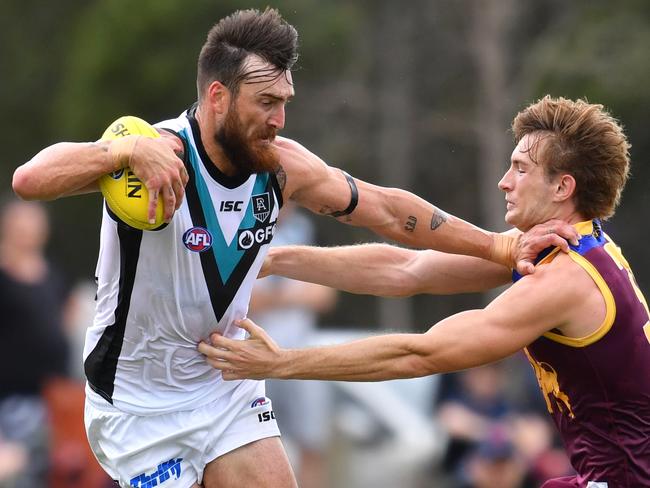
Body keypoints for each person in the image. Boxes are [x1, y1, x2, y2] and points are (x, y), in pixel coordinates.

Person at [12, 7, 576, 487]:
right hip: (137, 402)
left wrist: (499, 247)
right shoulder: (156, 155)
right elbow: (30, 180)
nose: (279, 120)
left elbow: (387, 212)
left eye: (285, 101)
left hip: (222, 384)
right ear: (218, 97)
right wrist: (121, 152)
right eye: (265, 103)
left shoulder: (282, 168)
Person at [200, 96, 650, 487]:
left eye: (520, 168)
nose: (504, 182)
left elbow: (422, 354)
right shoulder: (562, 248)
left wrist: (281, 363)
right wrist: (272, 259)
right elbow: (408, 268)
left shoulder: (564, 277)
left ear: (562, 186)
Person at [249, 203, 336, 488]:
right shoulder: (243, 226)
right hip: (253, 356)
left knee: (312, 441)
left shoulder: (305, 230)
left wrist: (276, 298)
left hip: (302, 354)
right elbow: (246, 302)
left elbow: (324, 295)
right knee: (255, 443)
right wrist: (293, 295)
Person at [0, 197, 72, 487]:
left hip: (55, 403)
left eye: (35, 222)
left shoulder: (53, 275)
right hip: (12, 406)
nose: (28, 229)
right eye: (22, 222)